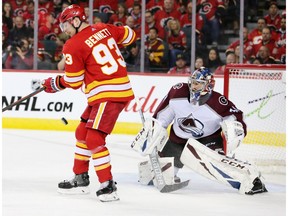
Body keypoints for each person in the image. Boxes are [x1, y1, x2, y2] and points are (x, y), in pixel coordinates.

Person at [41, 4, 136, 202]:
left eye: (65, 25)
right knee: (82, 132)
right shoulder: (103, 27)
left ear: (76, 21)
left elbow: (74, 82)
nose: (63, 30)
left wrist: (55, 83)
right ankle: (80, 178)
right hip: (108, 92)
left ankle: (107, 186)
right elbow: (130, 35)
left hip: (108, 93)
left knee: (93, 138)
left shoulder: (73, 45)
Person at [132, 67, 268, 195]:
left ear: (208, 86)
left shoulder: (219, 102)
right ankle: (168, 170)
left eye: (198, 84)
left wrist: (235, 130)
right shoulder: (177, 92)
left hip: (208, 140)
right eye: (192, 82)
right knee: (153, 177)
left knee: (215, 164)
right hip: (178, 140)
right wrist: (153, 131)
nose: (193, 86)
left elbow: (235, 117)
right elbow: (162, 117)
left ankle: (251, 180)